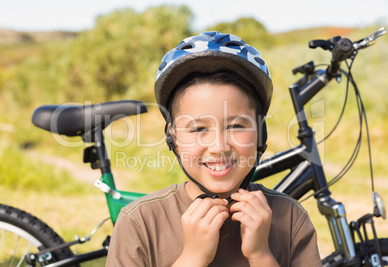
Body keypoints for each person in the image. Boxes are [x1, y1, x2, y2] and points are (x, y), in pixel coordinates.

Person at [106, 31, 321, 266]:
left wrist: (261, 255)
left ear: (261, 132)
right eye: (198, 129)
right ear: (173, 138)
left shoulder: (290, 219)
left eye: (236, 125)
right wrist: (192, 258)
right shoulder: (139, 223)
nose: (219, 147)